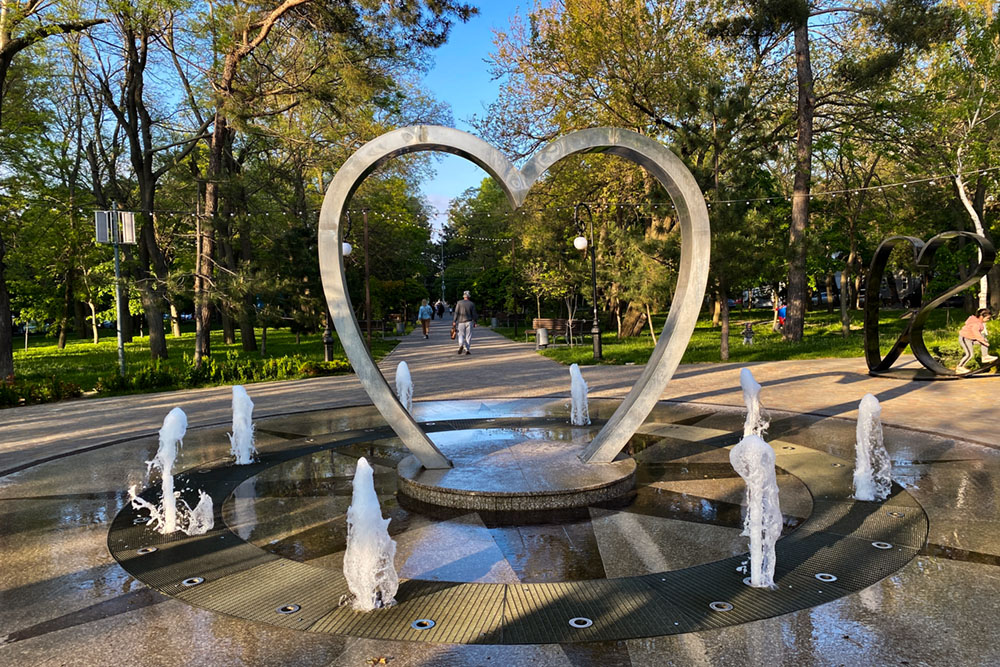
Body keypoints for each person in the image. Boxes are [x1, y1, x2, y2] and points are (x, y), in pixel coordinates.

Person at [956, 308, 996, 374]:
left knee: (985, 340)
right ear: (981, 317)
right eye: (987, 318)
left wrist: (983, 341)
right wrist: (983, 342)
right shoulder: (976, 324)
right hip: (965, 338)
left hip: (971, 338)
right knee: (969, 354)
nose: (988, 320)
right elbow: (976, 334)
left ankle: (985, 356)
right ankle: (959, 367)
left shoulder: (977, 322)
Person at [453, 290, 478, 355]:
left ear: (464, 296)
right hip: (469, 322)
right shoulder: (471, 304)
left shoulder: (459, 303)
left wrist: (454, 321)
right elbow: (474, 314)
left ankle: (461, 345)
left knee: (461, 334)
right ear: (469, 296)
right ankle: (467, 349)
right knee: (468, 336)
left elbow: (456, 312)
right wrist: (475, 322)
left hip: (461, 322)